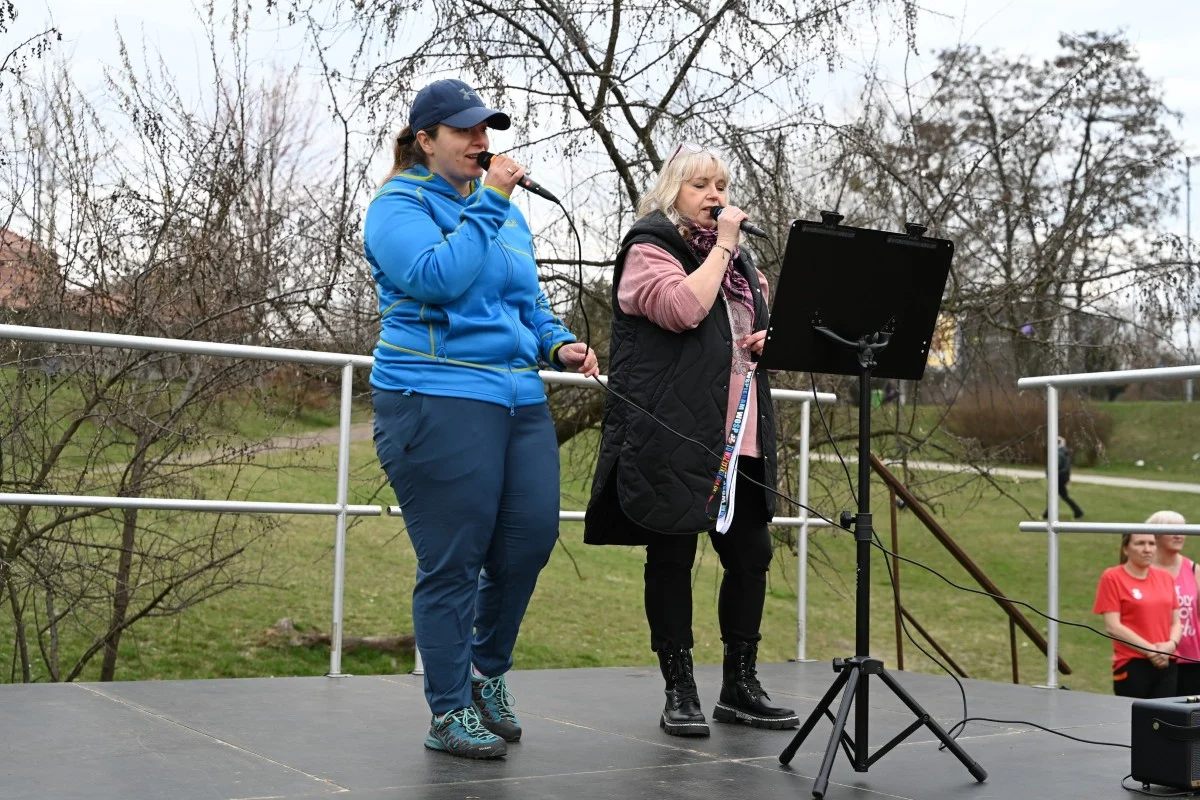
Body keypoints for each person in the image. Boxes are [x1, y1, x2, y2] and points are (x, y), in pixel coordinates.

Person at [365, 78, 598, 760]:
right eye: (464, 130)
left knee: (528, 542)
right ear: (425, 139)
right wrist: (493, 201)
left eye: (485, 129)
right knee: (454, 562)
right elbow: (440, 279)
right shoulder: (397, 206)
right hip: (434, 394)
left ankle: (483, 670)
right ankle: (447, 711)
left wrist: (557, 341)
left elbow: (526, 301)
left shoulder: (506, 217)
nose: (480, 141)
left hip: (517, 396)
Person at [584, 142, 798, 736]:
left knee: (751, 553)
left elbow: (752, 332)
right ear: (671, 190)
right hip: (675, 430)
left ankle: (740, 683)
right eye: (701, 185)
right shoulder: (650, 249)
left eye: (722, 186)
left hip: (741, 431)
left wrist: (767, 342)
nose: (716, 196)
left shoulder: (743, 265)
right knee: (674, 554)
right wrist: (725, 246)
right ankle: (679, 689)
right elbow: (681, 308)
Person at [1093, 532, 1181, 698]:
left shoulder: (1165, 577)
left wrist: (1170, 645)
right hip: (1132, 663)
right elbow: (1113, 626)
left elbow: (1176, 621)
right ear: (1126, 549)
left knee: (1166, 720)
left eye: (1151, 543)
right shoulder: (1112, 577)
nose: (1147, 549)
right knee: (1134, 720)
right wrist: (1150, 651)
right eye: (1140, 543)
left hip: (1166, 662)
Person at [1150, 510, 1200, 693]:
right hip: (1155, 656)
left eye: (1183, 529)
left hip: (1192, 658)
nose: (1179, 535)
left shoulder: (1195, 570)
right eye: (1173, 529)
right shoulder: (1144, 571)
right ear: (1156, 534)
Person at [1043, 436, 1084, 519]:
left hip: (1057, 479)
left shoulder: (1058, 454)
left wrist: (1050, 474)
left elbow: (1055, 467)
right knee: (1062, 496)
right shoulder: (1065, 452)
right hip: (1062, 479)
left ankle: (1047, 515)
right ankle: (1078, 512)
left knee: (1053, 496)